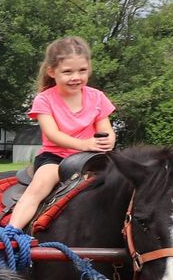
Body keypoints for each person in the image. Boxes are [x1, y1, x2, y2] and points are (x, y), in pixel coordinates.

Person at [8, 37, 116, 231]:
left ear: (89, 69)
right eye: (67, 72)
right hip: (55, 158)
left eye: (82, 71)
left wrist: (109, 140)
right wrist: (85, 144)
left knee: (124, 184)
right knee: (39, 186)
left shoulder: (97, 97)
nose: (76, 77)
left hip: (93, 158)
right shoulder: (44, 99)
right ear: (52, 72)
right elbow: (52, 134)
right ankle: (11, 232)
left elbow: (105, 129)